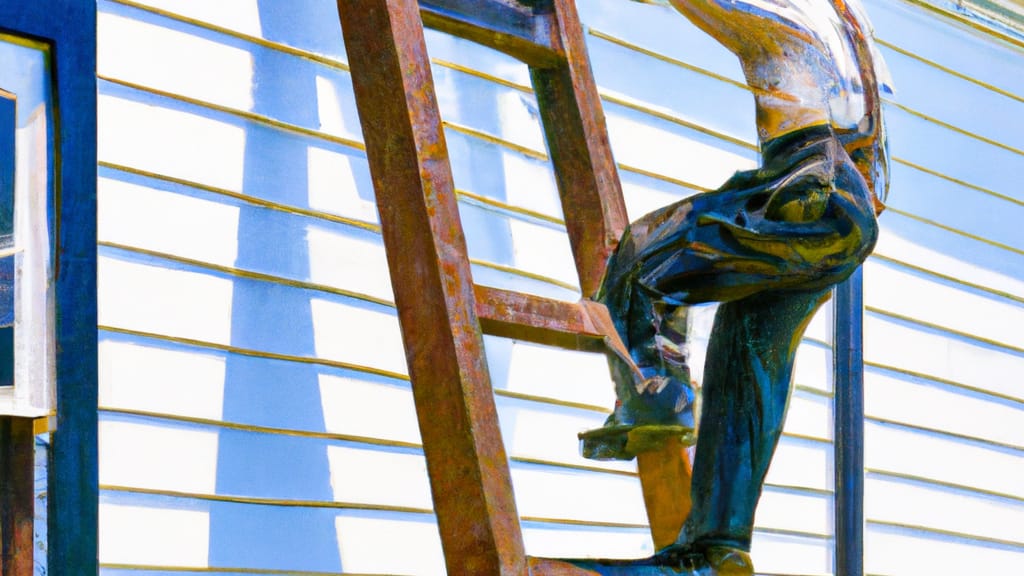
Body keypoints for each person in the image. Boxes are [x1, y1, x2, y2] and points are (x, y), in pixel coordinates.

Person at [576, 0, 891, 573]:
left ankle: (656, 396)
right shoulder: (850, 28)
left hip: (810, 183)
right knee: (747, 362)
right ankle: (715, 548)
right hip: (854, 210)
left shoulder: (795, 19)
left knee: (646, 253)